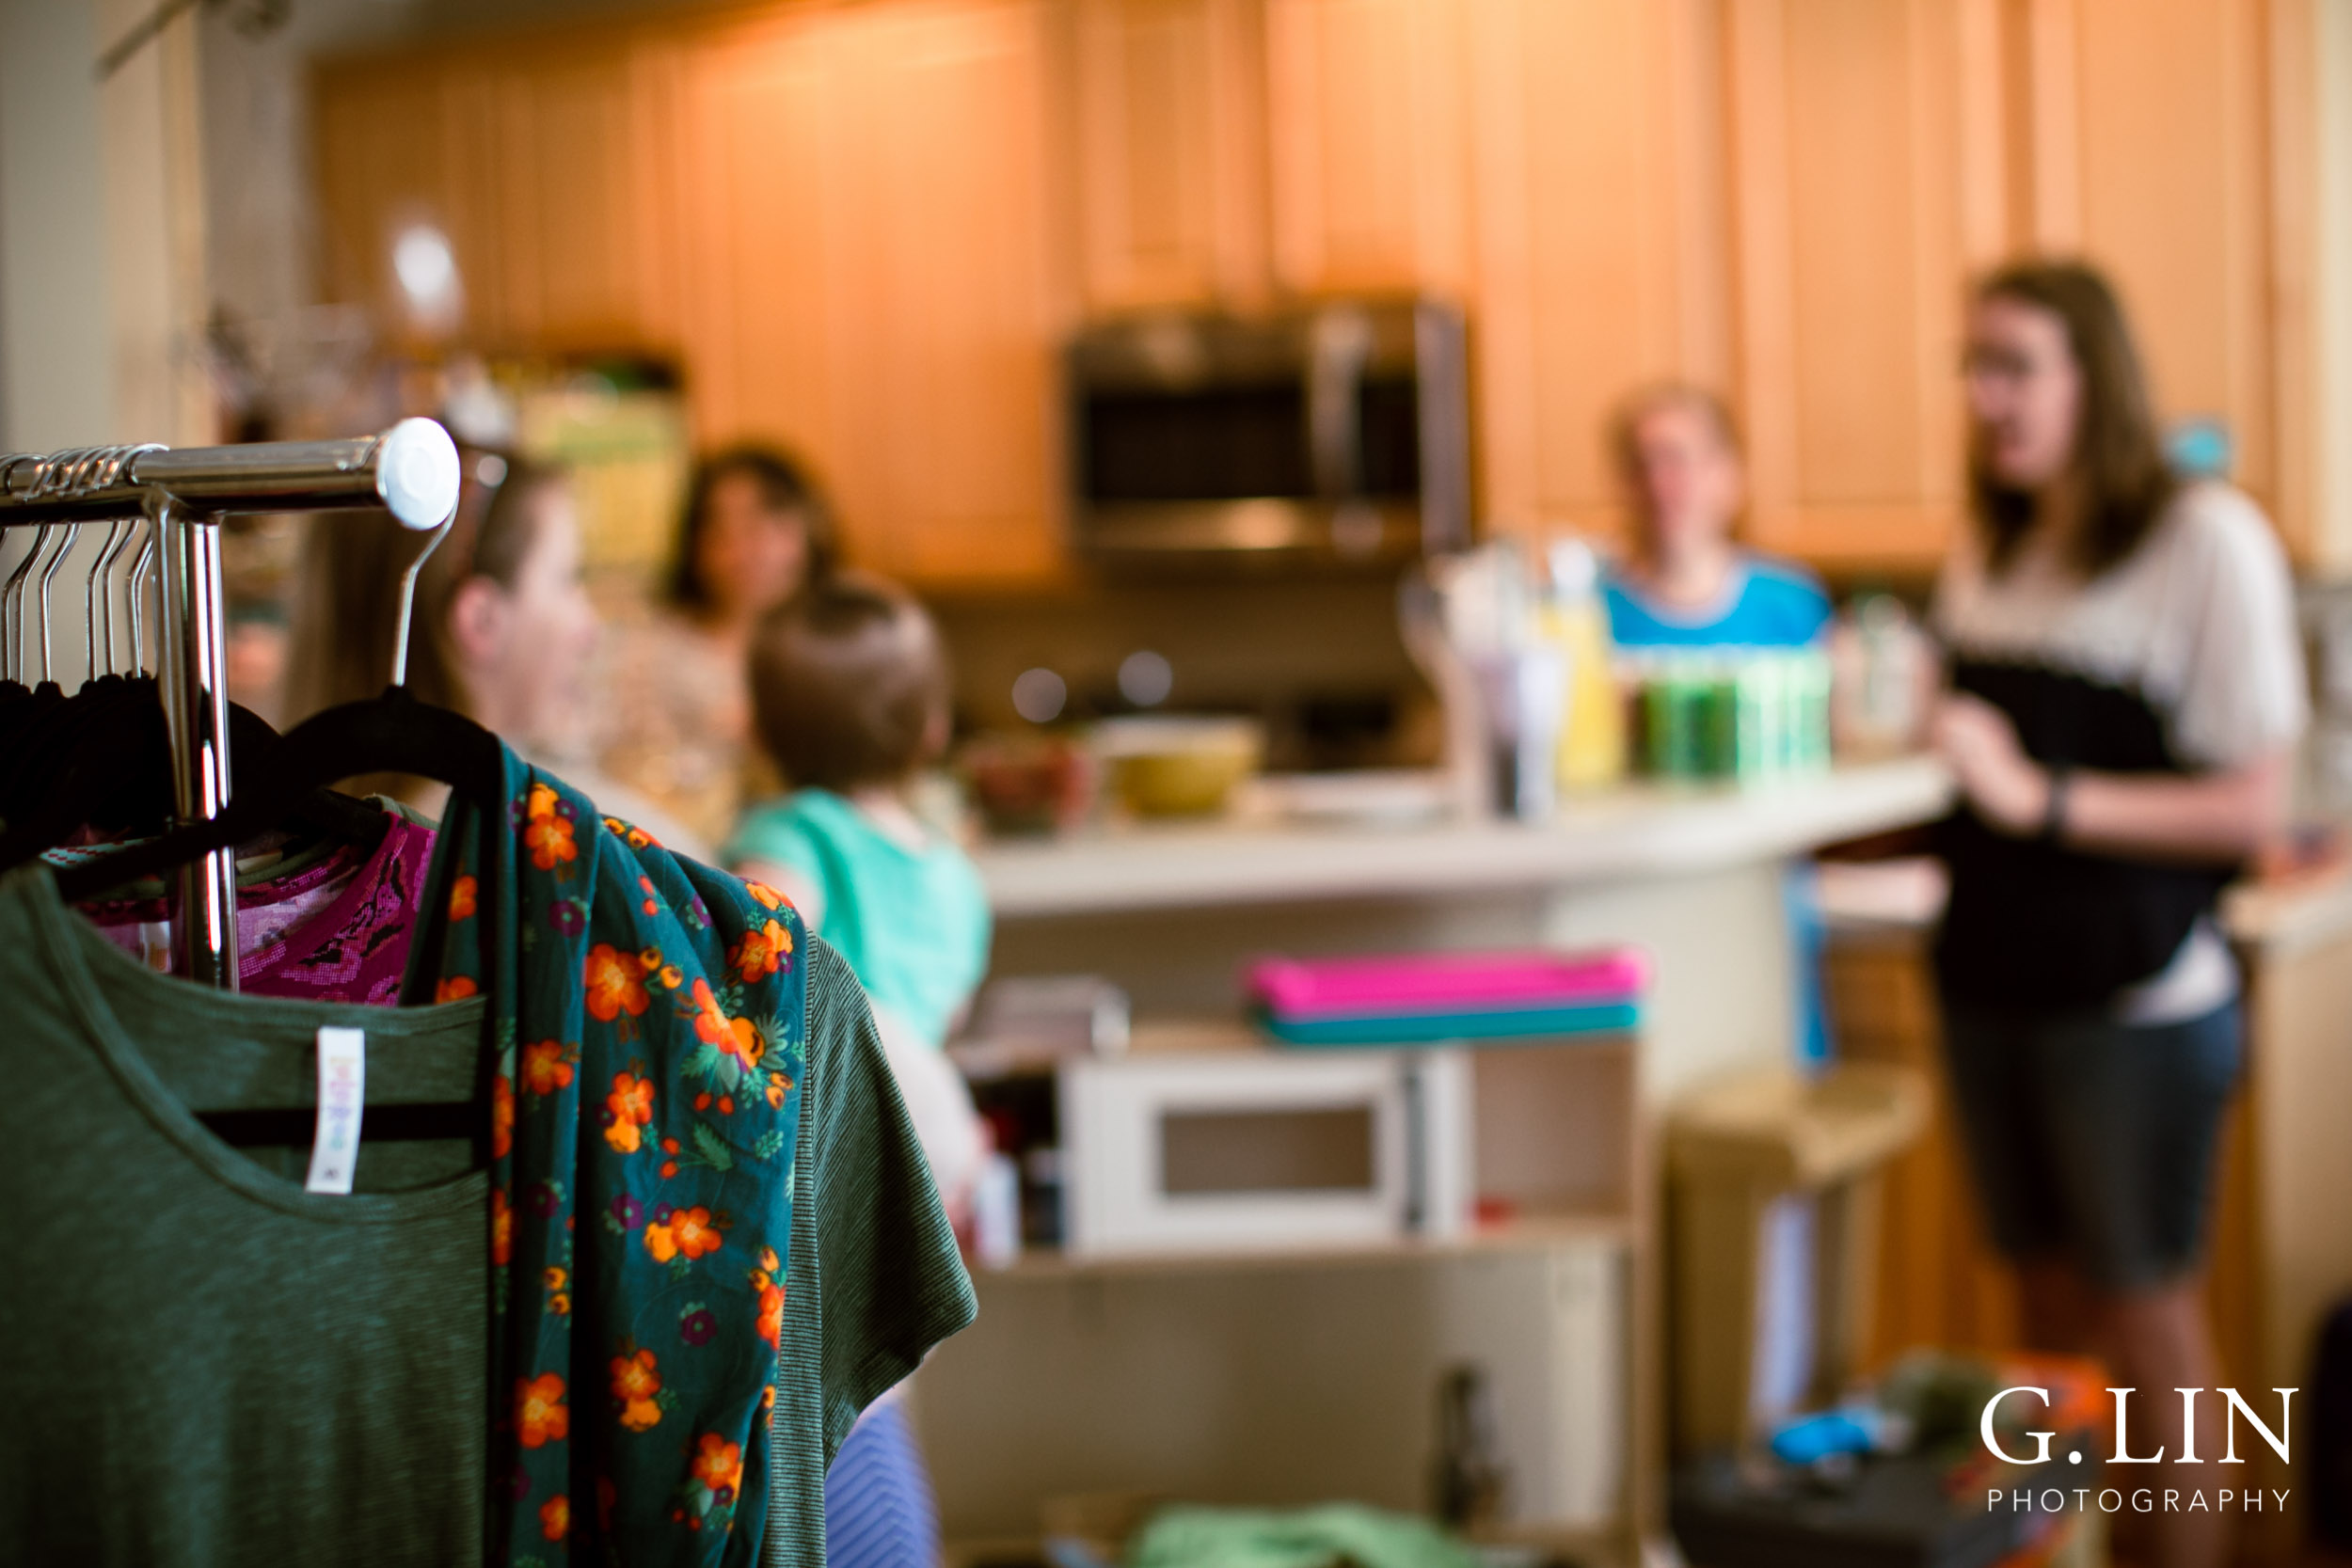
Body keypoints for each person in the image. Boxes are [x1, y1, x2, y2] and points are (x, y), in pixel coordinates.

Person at [1931, 260, 2305, 1568]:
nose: (1985, 396)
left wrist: (2043, 798)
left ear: (2096, 374)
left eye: (2015, 364)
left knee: (2147, 1325)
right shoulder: (1992, 544)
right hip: (1990, 988)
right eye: (1972, 366)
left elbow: (2252, 806)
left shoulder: (2206, 540)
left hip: (2136, 1006)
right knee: (2043, 1321)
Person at [724, 575, 992, 1568]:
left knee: (817, 1384)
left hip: (841, 1129)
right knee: (872, 1368)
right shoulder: (950, 868)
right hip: (932, 1135)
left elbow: (766, 940)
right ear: (930, 728)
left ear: (761, 728)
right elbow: (948, 1004)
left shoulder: (792, 833)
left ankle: (856, 1531)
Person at [287, 450, 706, 855]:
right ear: (482, 620)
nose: (590, 627)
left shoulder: (294, 847)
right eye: (567, 579)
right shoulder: (545, 851)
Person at [597, 445, 837, 849]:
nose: (744, 548)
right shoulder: (648, 650)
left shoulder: (838, 652)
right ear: (695, 544)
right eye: (722, 528)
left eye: (766, 524)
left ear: (810, 530)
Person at [1601, 385, 1832, 648]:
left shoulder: (1791, 603)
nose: (1657, 483)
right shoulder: (1589, 612)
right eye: (1642, 465)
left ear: (1727, 474)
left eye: (1676, 460)